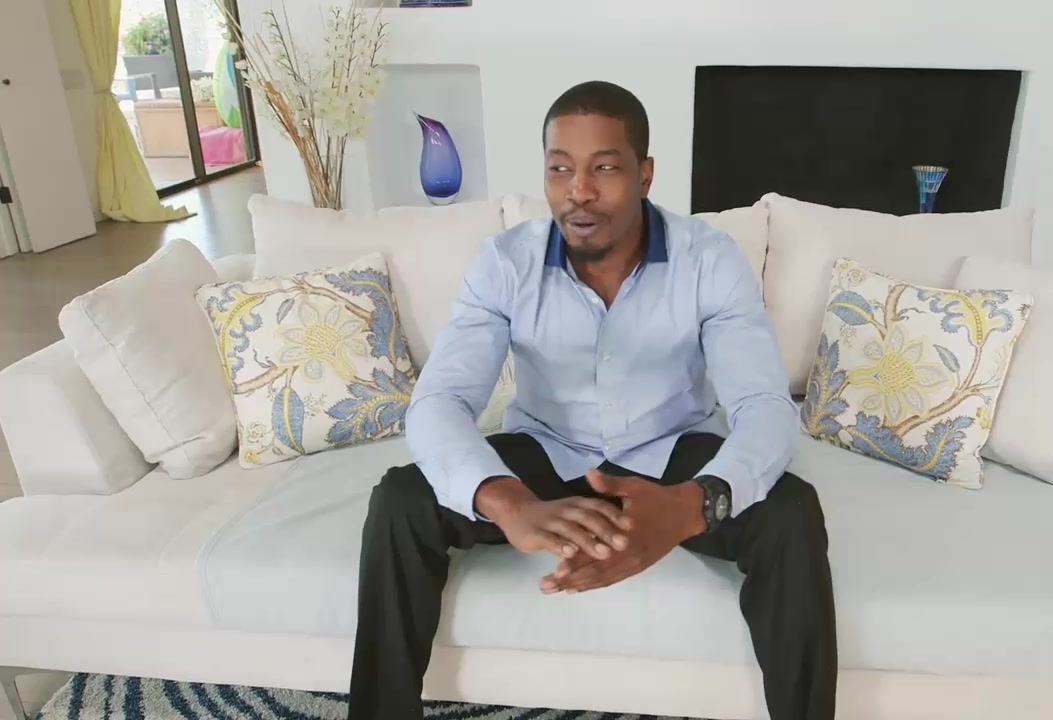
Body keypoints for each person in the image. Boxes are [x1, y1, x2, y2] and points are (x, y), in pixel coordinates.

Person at [348, 80, 837, 720]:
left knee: (791, 514)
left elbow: (765, 406)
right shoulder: (506, 262)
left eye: (604, 168)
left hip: (670, 452)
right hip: (548, 451)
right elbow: (439, 401)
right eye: (560, 169)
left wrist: (695, 504)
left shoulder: (709, 260)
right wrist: (506, 500)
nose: (578, 191)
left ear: (644, 174)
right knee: (400, 500)